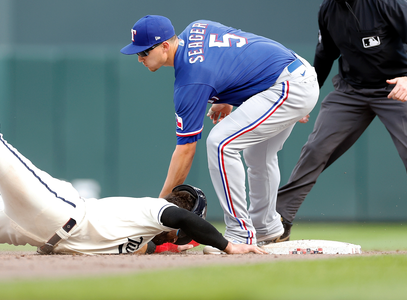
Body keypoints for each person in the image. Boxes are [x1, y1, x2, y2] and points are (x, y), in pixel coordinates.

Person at [0, 11, 265, 256]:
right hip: (55, 210)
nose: (178, 201)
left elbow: (178, 236)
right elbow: (172, 216)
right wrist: (229, 245)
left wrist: (194, 243)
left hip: (23, 230)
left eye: (184, 200)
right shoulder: (150, 212)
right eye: (183, 198)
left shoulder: (154, 247)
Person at [275, 0, 407, 253]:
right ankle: (278, 221)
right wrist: (307, 98)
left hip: (396, 87)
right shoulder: (327, 10)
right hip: (351, 91)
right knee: (315, 150)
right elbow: (324, 57)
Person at [120, 16, 319, 254]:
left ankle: (240, 233)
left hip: (287, 86)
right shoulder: (197, 27)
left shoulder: (191, 81)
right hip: (291, 74)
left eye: (144, 52)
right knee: (258, 155)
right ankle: (266, 227)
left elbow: (185, 150)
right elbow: (238, 51)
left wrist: (159, 206)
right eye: (137, 54)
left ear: (165, 46)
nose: (140, 58)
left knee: (221, 143)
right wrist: (225, 97)